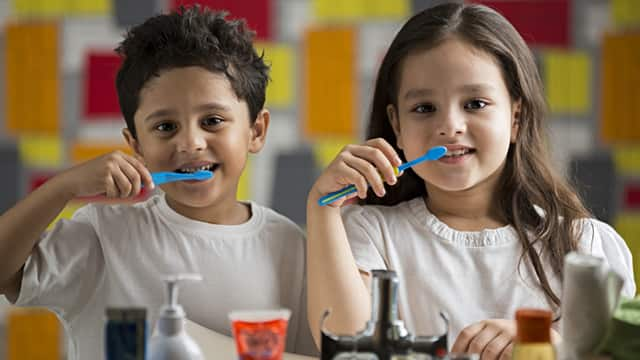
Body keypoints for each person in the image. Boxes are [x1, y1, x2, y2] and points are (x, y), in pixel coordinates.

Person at [306, 2, 636, 359]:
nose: (450, 126)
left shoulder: (586, 246)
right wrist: (321, 207)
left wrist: (548, 344)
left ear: (516, 118)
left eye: (475, 104)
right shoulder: (370, 234)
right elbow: (347, 346)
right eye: (424, 108)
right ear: (397, 125)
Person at [0, 6, 316, 359]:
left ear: (256, 131)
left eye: (212, 120)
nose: (190, 143)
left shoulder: (292, 247)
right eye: (165, 127)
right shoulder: (103, 234)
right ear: (136, 145)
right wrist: (63, 188)